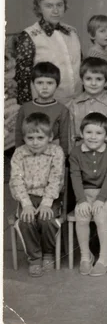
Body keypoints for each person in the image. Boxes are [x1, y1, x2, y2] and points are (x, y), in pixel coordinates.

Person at [10, 113, 65, 277]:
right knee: (26, 221)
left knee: (47, 220)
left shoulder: (56, 152)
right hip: (26, 196)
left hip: (50, 197)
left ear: (50, 137)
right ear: (24, 138)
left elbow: (56, 178)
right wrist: (26, 204)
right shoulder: (19, 153)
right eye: (30, 138)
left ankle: (48, 252)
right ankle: (34, 258)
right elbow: (16, 180)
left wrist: (47, 202)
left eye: (40, 137)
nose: (35, 142)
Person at [69, 112, 107, 276]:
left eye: (98, 133)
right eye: (88, 132)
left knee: (100, 214)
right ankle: (86, 256)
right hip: (85, 193)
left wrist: (101, 199)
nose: (93, 137)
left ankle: (104, 257)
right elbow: (75, 177)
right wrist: (81, 200)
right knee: (81, 214)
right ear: (82, 133)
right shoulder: (76, 153)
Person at [15, 0, 82, 105]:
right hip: (46, 104)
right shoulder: (29, 36)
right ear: (39, 8)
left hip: (77, 102)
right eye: (49, 6)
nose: (55, 10)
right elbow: (23, 78)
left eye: (59, 5)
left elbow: (80, 68)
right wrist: (27, 109)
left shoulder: (72, 32)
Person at [68, 57, 107, 155]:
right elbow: (71, 135)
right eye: (88, 78)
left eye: (98, 79)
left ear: (105, 82)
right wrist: (71, 157)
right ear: (82, 80)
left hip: (105, 155)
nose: (93, 83)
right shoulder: (75, 104)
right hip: (81, 155)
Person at [15, 62, 70, 154]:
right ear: (33, 83)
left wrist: (63, 158)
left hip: (53, 155)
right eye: (40, 83)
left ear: (57, 84)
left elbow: (64, 137)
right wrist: (19, 154)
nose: (45, 87)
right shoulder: (25, 108)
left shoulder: (62, 110)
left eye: (49, 83)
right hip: (28, 153)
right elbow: (19, 134)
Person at [86, 15, 107, 94]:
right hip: (101, 93)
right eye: (102, 31)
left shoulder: (103, 51)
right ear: (92, 35)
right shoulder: (94, 54)